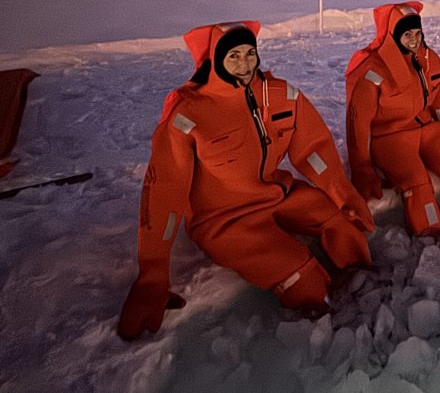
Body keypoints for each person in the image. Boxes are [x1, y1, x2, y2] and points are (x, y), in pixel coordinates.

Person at [118, 21, 373, 340]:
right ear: (215, 60)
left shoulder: (280, 95)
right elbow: (164, 193)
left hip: (278, 195)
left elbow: (312, 150)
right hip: (224, 221)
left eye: (250, 54)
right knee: (303, 278)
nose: (244, 63)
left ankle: (372, 300)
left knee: (345, 229)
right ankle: (332, 342)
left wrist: (344, 194)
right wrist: (153, 272)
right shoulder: (188, 114)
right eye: (234, 55)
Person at [345, 2, 440, 235]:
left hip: (427, 128)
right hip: (390, 138)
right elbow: (358, 123)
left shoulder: (429, 59)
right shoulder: (373, 70)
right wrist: (361, 166)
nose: (414, 39)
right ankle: (430, 236)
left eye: (417, 33)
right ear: (394, 35)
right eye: (407, 34)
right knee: (417, 181)